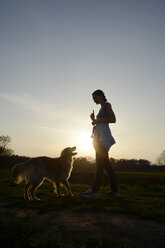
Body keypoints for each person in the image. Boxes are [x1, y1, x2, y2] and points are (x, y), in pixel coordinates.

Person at [83, 89, 120, 198]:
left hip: (102, 141)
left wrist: (98, 120)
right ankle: (115, 191)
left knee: (99, 166)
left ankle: (94, 192)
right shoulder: (101, 108)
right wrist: (94, 119)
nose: (93, 100)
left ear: (99, 96)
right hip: (99, 139)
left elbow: (113, 119)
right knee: (107, 166)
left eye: (94, 98)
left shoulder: (107, 105)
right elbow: (100, 123)